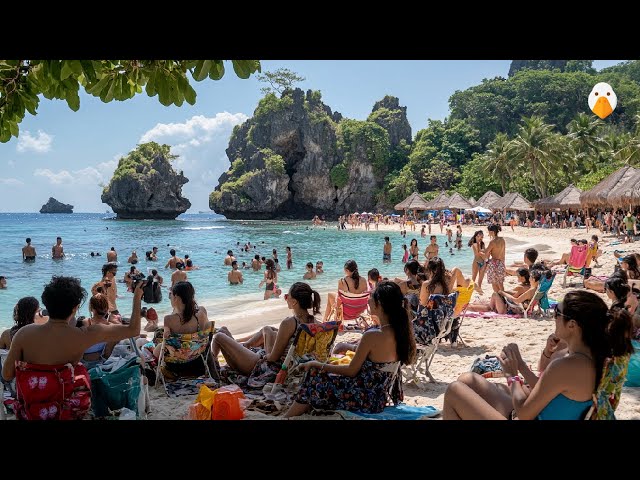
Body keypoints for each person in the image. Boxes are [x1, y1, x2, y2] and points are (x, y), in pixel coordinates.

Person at [442, 290, 633, 420]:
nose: (553, 315)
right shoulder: (593, 356)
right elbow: (548, 390)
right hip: (540, 414)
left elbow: (524, 413)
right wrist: (522, 365)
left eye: (557, 312)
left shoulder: (568, 365)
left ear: (573, 325)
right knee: (468, 380)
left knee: (455, 390)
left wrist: (512, 375)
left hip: (528, 416)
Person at [1, 277, 144, 420]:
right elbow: (133, 330)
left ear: (46, 305)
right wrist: (137, 296)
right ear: (75, 307)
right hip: (65, 412)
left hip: (31, 412)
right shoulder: (83, 335)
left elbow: (7, 375)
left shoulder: (24, 334)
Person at [285, 281, 416, 417]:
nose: (368, 300)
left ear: (380, 304)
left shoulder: (373, 335)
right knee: (322, 373)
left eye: (371, 296)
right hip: (378, 398)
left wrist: (318, 365)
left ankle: (289, 415)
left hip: (363, 398)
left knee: (314, 374)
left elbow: (351, 371)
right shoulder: (399, 332)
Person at [211, 282, 321, 387]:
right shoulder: (318, 325)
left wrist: (264, 354)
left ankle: (212, 372)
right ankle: (244, 346)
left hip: (269, 369)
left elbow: (272, 358)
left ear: (294, 302)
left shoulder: (289, 323)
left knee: (219, 336)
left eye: (287, 296)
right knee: (224, 330)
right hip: (296, 366)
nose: (286, 299)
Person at [152, 281, 215, 371]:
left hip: (176, 365)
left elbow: (165, 338)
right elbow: (205, 335)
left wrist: (155, 328)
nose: (170, 297)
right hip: (196, 360)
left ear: (176, 297)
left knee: (157, 347)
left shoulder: (169, 319)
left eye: (171, 295)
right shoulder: (201, 313)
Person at [77, 294, 119, 369]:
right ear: (107, 309)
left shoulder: (83, 323)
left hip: (83, 363)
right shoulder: (111, 327)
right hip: (101, 363)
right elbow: (107, 353)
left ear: (91, 308)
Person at [484, 224, 506, 293]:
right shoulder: (502, 240)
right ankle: (503, 298)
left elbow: (486, 253)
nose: (488, 233)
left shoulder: (492, 242)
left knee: (494, 283)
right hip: (501, 263)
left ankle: (498, 296)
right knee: (500, 283)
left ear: (492, 232)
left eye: (489, 232)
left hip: (494, 263)